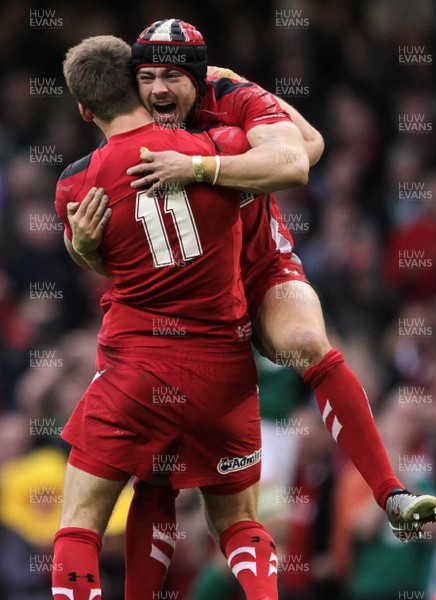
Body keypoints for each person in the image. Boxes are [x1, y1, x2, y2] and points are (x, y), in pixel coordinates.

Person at [120, 15, 436, 552]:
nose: (157, 89)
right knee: (157, 465)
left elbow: (301, 155)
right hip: (177, 294)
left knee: (309, 344)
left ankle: (391, 496)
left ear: (198, 77)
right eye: (147, 76)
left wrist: (198, 168)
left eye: (172, 76)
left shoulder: (233, 92)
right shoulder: (123, 112)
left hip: (259, 267)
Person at [52, 34, 303, 600]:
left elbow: (107, 257)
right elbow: (295, 157)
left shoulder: (74, 183)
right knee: (238, 521)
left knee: (79, 524)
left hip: (138, 369)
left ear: (85, 110)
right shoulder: (222, 144)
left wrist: (82, 249)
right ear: (140, 80)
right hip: (225, 371)